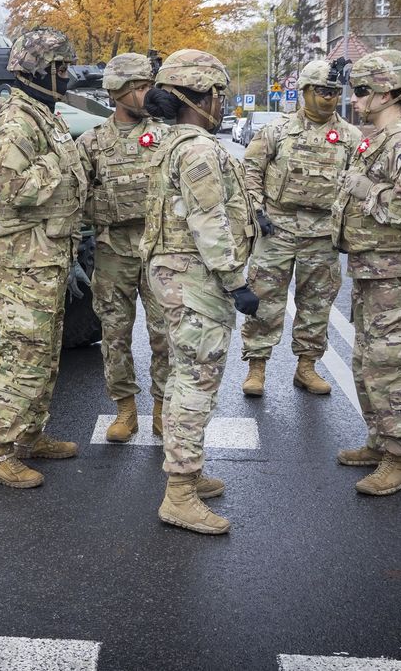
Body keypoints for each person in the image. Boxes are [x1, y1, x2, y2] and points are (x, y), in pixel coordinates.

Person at [139, 49, 258, 534]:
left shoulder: (175, 143)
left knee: (187, 375)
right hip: (195, 279)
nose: (222, 103)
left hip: (175, 273)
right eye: (217, 95)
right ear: (196, 97)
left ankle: (189, 471)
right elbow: (208, 222)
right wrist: (238, 282)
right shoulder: (199, 149)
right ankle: (180, 493)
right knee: (196, 382)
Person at [0, 27, 89, 488]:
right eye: (62, 68)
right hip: (23, 257)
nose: (69, 76)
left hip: (47, 255)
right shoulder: (17, 121)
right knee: (22, 351)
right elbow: (10, 188)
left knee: (44, 351)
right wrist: (57, 163)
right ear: (40, 70)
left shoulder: (45, 116)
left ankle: (28, 437)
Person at [333, 49, 401, 495]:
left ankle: (399, 457)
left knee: (391, 364)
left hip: (395, 272)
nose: (354, 100)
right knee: (367, 360)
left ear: (386, 92)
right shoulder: (381, 137)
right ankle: (379, 440)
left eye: (362, 90)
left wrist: (367, 188)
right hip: (372, 269)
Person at [240, 59, 360, 396]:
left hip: (321, 233)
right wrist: (257, 211)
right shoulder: (277, 130)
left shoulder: (350, 137)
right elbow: (250, 170)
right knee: (263, 299)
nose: (329, 97)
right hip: (276, 228)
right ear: (305, 91)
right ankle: (256, 368)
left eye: (335, 92)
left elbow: (357, 183)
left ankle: (307, 366)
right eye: (322, 91)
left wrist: (346, 226)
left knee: (317, 303)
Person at [78, 53, 170, 443]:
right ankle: (126, 410)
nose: (149, 94)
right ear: (120, 92)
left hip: (159, 250)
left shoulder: (168, 136)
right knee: (115, 334)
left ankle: (164, 409)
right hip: (112, 252)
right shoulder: (93, 142)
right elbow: (74, 197)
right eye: (142, 87)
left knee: (165, 333)